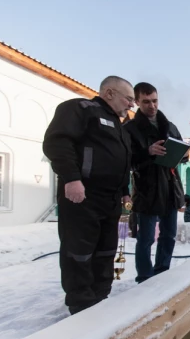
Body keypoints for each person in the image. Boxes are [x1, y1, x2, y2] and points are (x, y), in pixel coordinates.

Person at [43, 75, 134, 315]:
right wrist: (72, 178)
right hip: (83, 196)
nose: (131, 105)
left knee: (106, 250)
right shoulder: (81, 109)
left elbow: (121, 163)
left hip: (111, 199)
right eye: (129, 98)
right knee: (79, 251)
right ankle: (81, 304)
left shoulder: (120, 128)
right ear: (109, 93)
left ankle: (100, 296)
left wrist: (125, 191)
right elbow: (58, 143)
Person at [123, 82, 186, 283]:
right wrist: (148, 152)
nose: (152, 106)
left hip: (169, 187)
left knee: (168, 236)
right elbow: (126, 161)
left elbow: (182, 156)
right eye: (146, 102)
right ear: (137, 102)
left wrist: (182, 154)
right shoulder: (130, 129)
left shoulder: (170, 127)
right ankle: (144, 278)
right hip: (147, 190)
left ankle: (162, 273)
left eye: (155, 101)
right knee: (146, 239)